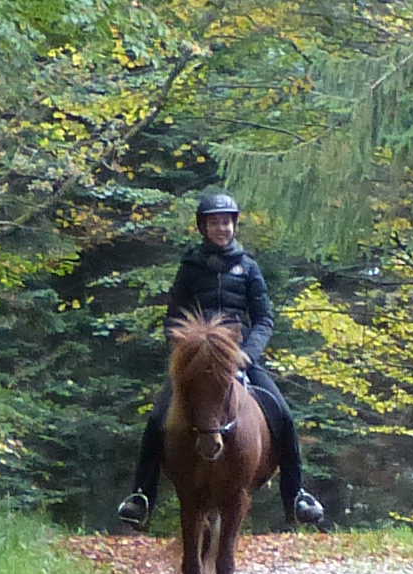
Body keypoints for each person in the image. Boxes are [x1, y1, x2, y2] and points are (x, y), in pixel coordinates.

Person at [116, 192, 326, 530]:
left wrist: (248, 354)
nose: (222, 228)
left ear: (234, 225)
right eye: (214, 223)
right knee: (157, 418)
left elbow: (264, 318)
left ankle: (296, 495)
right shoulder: (190, 267)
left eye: (226, 222)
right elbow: (174, 318)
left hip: (239, 358)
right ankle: (141, 497)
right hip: (197, 361)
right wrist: (187, 350)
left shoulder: (249, 267)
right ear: (204, 227)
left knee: (283, 414)